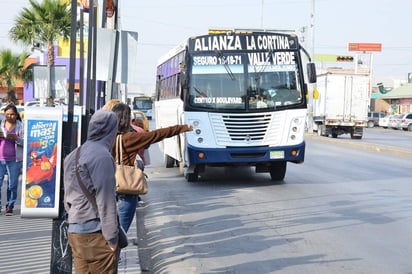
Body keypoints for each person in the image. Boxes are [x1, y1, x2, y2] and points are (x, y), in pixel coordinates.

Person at [111, 103, 193, 233]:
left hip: (107, 190)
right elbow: (157, 134)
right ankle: (115, 253)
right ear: (126, 120)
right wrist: (182, 128)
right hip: (126, 189)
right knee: (120, 233)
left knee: (108, 234)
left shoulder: (105, 138)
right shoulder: (130, 138)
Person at [63, 109, 120, 273]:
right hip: (96, 234)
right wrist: (112, 238)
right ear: (111, 130)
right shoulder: (102, 156)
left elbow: (67, 198)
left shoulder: (74, 154)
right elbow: (106, 200)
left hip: (75, 231)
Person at [0, 104, 24, 216]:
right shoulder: (1, 124)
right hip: (1, 159)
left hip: (15, 159)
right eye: (7, 114)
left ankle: (10, 205)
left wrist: (16, 138)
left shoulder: (21, 126)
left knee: (12, 184)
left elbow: (26, 142)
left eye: (12, 114)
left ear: (16, 115)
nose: (10, 116)